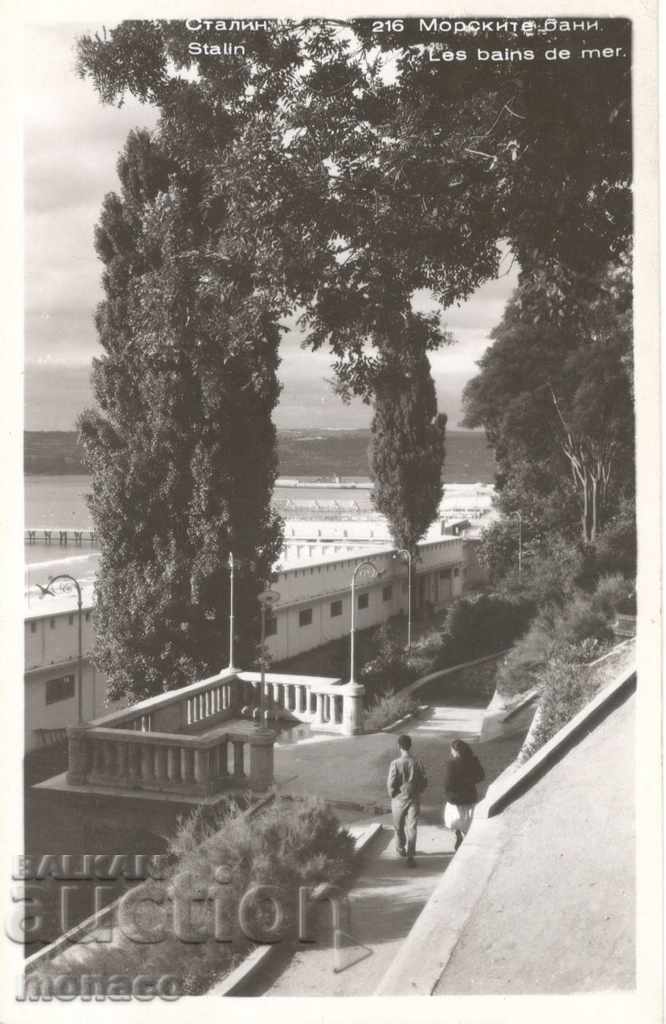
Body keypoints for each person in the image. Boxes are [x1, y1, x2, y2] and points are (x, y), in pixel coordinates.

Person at [387, 734, 428, 867]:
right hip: (414, 798)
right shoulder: (418, 762)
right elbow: (424, 781)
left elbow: (391, 783)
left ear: (399, 746)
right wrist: (418, 790)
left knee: (398, 826)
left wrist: (392, 794)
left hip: (398, 799)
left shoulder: (395, 763)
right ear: (410, 746)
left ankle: (400, 847)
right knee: (412, 827)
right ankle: (411, 855)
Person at [442, 739, 485, 851]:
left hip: (456, 798)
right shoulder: (473, 760)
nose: (451, 752)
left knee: (456, 819)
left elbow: (447, 783)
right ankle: (466, 840)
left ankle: (458, 834)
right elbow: (481, 776)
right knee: (467, 821)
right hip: (470, 797)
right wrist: (469, 782)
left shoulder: (451, 764)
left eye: (452, 750)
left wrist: (450, 792)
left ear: (456, 751)